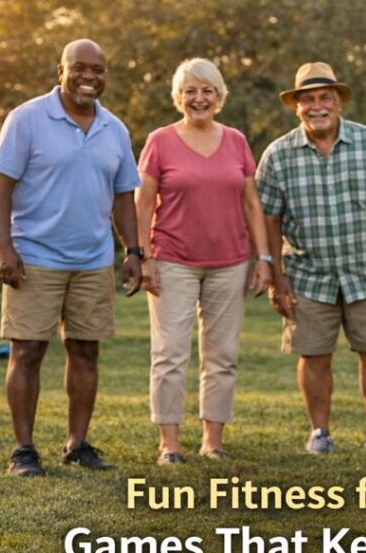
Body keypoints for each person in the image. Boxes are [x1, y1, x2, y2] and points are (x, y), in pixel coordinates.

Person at [0, 39, 142, 476]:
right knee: (29, 351)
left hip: (93, 259)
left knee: (86, 352)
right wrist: (5, 246)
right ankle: (23, 450)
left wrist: (133, 251)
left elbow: (123, 196)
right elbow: (0, 188)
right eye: (80, 67)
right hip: (34, 256)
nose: (90, 76)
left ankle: (77, 444)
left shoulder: (115, 129)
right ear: (61, 70)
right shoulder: (27, 119)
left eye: (98, 68)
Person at [256, 62, 366, 456]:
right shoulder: (278, 155)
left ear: (338, 102)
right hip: (308, 274)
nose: (316, 106)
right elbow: (269, 220)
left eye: (324, 97)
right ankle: (319, 432)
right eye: (307, 99)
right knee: (313, 354)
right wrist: (277, 277)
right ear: (296, 107)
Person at [135, 58, 272, 465]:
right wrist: (143, 257)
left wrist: (263, 257)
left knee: (222, 354)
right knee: (170, 353)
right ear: (179, 97)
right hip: (173, 260)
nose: (199, 98)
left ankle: (213, 440)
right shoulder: (160, 140)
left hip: (229, 262)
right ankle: (170, 444)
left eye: (207, 90)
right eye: (191, 91)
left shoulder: (235, 141)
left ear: (219, 97)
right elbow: (142, 203)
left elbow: (251, 203)